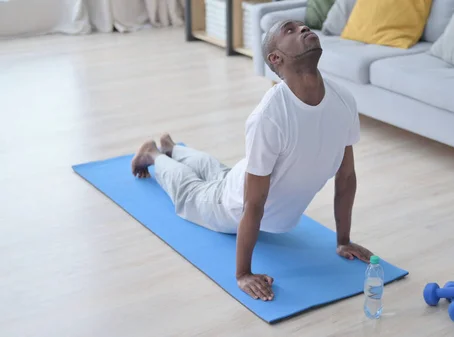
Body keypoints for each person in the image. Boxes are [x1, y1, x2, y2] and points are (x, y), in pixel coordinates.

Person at [130, 20, 373, 302]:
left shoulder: (343, 100)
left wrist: (343, 241)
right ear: (275, 58)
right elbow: (252, 204)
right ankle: (154, 154)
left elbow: (346, 177)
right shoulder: (269, 115)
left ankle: (174, 148)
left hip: (245, 175)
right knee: (190, 194)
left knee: (220, 173)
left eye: (304, 26)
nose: (304, 29)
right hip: (231, 205)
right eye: (290, 30)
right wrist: (243, 274)